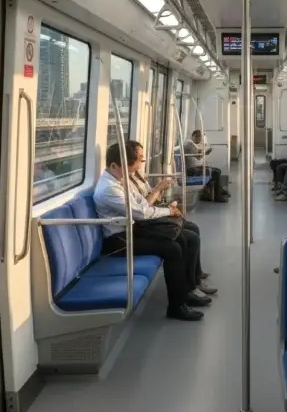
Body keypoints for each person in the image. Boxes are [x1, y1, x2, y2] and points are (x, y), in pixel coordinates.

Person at [94, 141, 210, 321]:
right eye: (133, 164)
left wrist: (160, 204)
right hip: (119, 241)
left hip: (133, 231)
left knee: (183, 237)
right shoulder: (109, 189)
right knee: (173, 249)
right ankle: (176, 307)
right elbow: (140, 212)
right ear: (114, 165)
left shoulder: (121, 179)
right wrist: (168, 211)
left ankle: (186, 293)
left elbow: (142, 203)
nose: (135, 169)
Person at [130, 167, 217, 295]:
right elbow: (142, 210)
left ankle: (195, 277)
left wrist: (163, 199)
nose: (141, 163)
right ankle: (190, 286)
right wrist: (159, 192)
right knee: (185, 238)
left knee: (192, 228)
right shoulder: (120, 185)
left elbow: (148, 200)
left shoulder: (138, 177)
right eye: (139, 158)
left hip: (148, 217)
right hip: (141, 223)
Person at [183, 130, 229, 202]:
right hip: (191, 171)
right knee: (215, 173)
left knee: (217, 170)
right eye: (197, 136)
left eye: (200, 137)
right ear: (192, 136)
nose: (199, 139)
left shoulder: (192, 144)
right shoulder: (189, 144)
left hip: (194, 168)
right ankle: (217, 196)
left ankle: (219, 190)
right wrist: (206, 153)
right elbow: (198, 156)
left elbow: (198, 153)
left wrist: (205, 151)